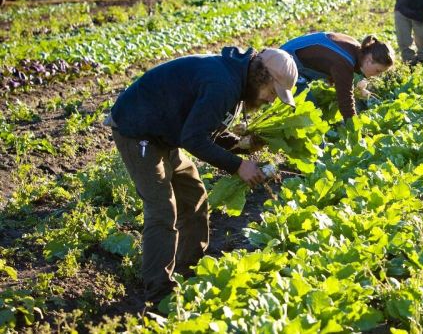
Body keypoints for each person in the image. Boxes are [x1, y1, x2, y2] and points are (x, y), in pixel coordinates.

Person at [104, 47, 298, 304]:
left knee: (194, 195)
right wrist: (238, 165)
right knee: (162, 209)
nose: (271, 100)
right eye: (273, 92)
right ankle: (159, 292)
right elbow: (194, 139)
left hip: (166, 133)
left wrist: (240, 145)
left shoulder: (237, 82)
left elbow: (204, 127)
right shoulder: (223, 84)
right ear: (261, 76)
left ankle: (190, 269)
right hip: (139, 130)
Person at [280, 32, 394, 120]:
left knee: (301, 105)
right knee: (310, 112)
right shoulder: (345, 62)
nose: (377, 75)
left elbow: (326, 58)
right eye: (378, 71)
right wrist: (354, 130)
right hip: (285, 63)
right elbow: (346, 102)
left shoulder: (355, 48)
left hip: (288, 56)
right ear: (369, 60)